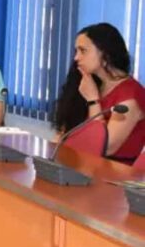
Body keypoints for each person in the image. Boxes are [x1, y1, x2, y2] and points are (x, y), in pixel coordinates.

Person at [54, 23, 145, 164]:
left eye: (83, 51)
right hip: (77, 164)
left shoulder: (131, 94)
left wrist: (93, 100)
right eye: (76, 51)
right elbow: (63, 134)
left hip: (112, 172)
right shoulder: (89, 83)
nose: (76, 58)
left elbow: (105, 148)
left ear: (105, 54)